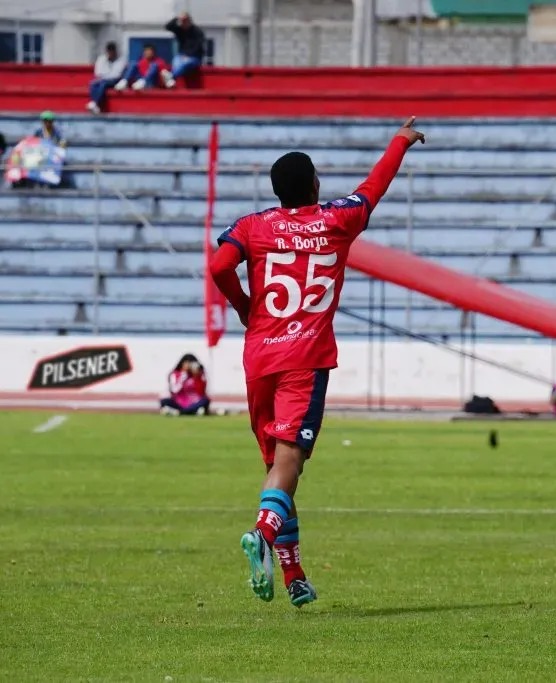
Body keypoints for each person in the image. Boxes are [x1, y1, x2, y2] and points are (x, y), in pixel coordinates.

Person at [210, 117, 426, 608]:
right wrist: (400, 140)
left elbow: (219, 265)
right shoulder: (337, 220)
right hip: (304, 358)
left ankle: (294, 576)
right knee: (290, 461)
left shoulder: (253, 225)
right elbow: (373, 189)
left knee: (279, 470)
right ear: (314, 185)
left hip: (260, 357)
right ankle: (263, 535)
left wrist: (245, 307)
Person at [163, 12, 206, 88]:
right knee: (176, 62)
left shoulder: (197, 31)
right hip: (182, 55)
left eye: (185, 20)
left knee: (185, 64)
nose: (183, 23)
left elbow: (198, 46)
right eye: (182, 21)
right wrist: (177, 18)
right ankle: (171, 80)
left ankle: (171, 76)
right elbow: (167, 27)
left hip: (195, 57)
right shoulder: (180, 30)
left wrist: (188, 56)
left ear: (189, 20)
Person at [86, 41, 125, 114]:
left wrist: (104, 76)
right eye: (109, 51)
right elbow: (98, 72)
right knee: (93, 84)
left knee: (103, 84)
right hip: (102, 79)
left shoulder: (120, 61)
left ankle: (94, 103)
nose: (111, 53)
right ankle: (95, 104)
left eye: (112, 51)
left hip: (114, 81)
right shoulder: (101, 59)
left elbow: (116, 75)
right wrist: (103, 76)